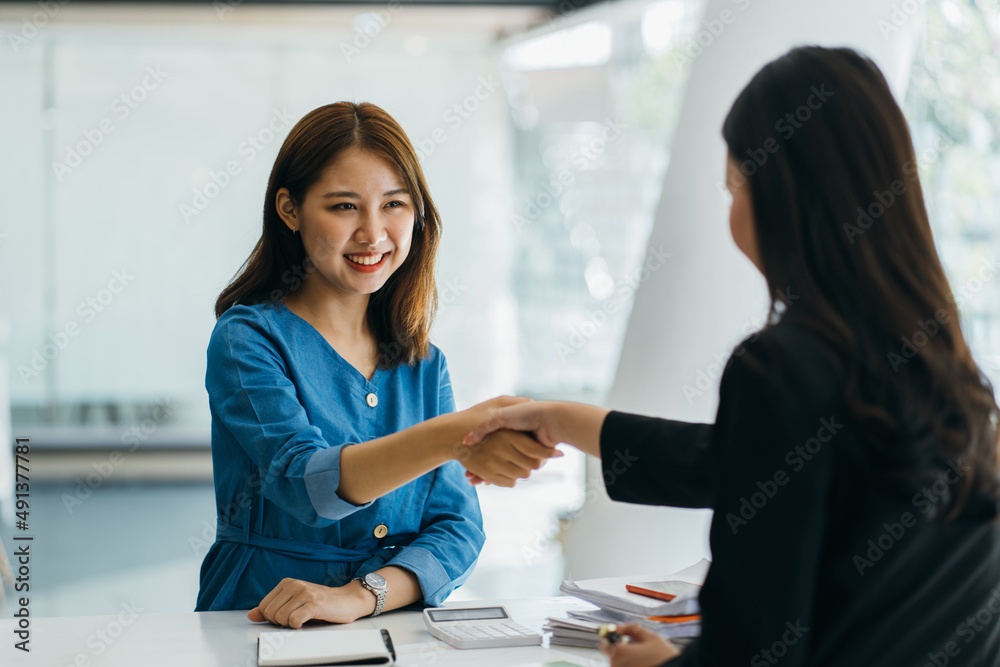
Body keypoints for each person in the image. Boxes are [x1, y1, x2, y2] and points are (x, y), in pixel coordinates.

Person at [464, 46, 1000, 666]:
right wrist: (560, 419)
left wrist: (660, 664)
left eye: (735, 187)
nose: (733, 211)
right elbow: (744, 463)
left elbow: (751, 649)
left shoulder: (782, 365)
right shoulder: (945, 367)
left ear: (781, 193)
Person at [195, 102, 558, 628]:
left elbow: (457, 526)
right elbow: (306, 484)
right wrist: (454, 436)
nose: (372, 233)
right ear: (290, 210)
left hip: (393, 622)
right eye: (344, 207)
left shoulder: (424, 362)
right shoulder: (247, 339)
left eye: (394, 204)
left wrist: (365, 594)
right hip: (264, 619)